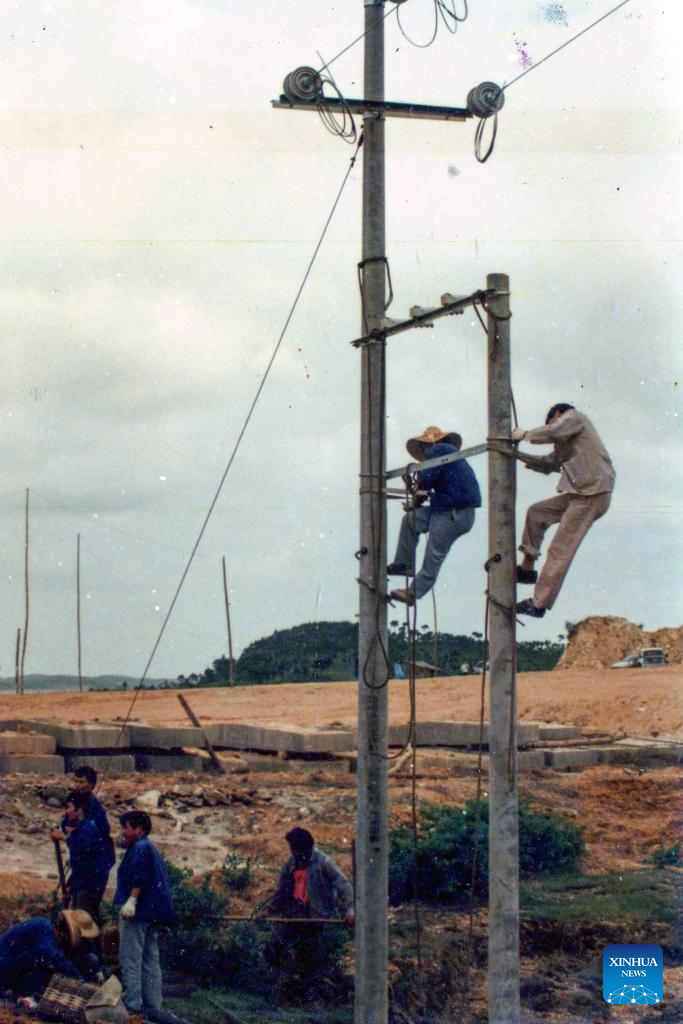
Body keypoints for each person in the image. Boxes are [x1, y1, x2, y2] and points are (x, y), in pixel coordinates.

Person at [512, 403, 615, 617]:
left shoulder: (575, 417)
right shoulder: (567, 443)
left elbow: (553, 431)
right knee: (536, 512)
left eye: (551, 422)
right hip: (580, 493)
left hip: (592, 493)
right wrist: (515, 455)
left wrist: (525, 435)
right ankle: (527, 569)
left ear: (558, 414)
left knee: (560, 549)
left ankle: (538, 604)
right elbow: (548, 463)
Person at [388, 425, 481, 605]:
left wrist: (414, 502)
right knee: (411, 520)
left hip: (453, 513)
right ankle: (404, 563)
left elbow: (424, 486)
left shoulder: (439, 450)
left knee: (434, 553)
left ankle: (413, 593)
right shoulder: (447, 457)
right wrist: (415, 503)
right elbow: (426, 486)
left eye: (423, 448)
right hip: (447, 510)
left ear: (427, 445)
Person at [264, 828, 354, 997]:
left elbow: (343, 885)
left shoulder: (324, 862)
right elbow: (280, 892)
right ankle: (273, 984)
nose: (295, 854)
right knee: (274, 944)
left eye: (297, 851)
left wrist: (352, 909)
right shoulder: (290, 865)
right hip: (292, 915)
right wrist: (269, 910)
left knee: (311, 955)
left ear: (307, 849)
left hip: (315, 917)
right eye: (292, 850)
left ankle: (310, 992)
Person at [113, 810, 175, 1022]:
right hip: (153, 912)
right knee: (150, 958)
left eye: (126, 828)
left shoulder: (139, 848)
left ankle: (133, 1004)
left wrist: (132, 900)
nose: (123, 832)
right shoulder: (147, 847)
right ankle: (153, 1004)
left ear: (138, 830)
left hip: (138, 911)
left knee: (131, 956)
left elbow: (140, 876)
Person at [0, 910, 98, 998]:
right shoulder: (43, 930)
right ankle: (26, 995)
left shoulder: (48, 930)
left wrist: (98, 971)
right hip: (4, 969)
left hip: (15, 966)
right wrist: (81, 982)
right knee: (43, 966)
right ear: (64, 935)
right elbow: (55, 957)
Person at [51, 791, 112, 925]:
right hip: (83, 881)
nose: (67, 812)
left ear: (80, 810)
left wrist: (64, 837)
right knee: (78, 917)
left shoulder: (89, 827)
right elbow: (79, 862)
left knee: (84, 921)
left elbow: (83, 848)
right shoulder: (80, 828)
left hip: (90, 883)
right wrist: (71, 885)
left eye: (69, 807)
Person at [70, 766, 117, 869]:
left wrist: (66, 836)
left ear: (91, 785)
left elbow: (89, 838)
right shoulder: (77, 799)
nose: (77, 785)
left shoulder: (93, 807)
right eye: (76, 781)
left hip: (97, 860)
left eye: (81, 782)